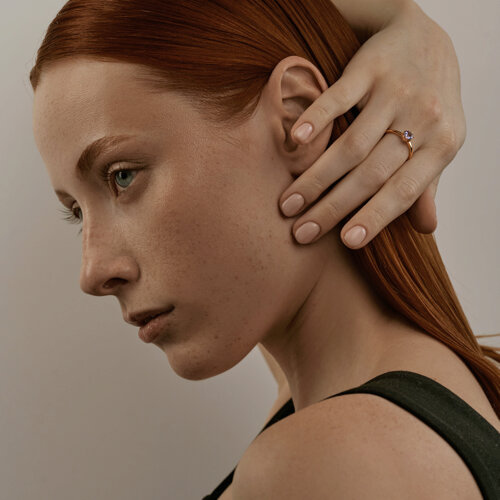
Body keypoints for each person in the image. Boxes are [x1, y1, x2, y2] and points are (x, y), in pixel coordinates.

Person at [30, 0, 499, 498]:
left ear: (297, 115)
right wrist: (405, 20)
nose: (94, 272)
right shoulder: (424, 408)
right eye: (77, 212)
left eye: (122, 176)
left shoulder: (334, 460)